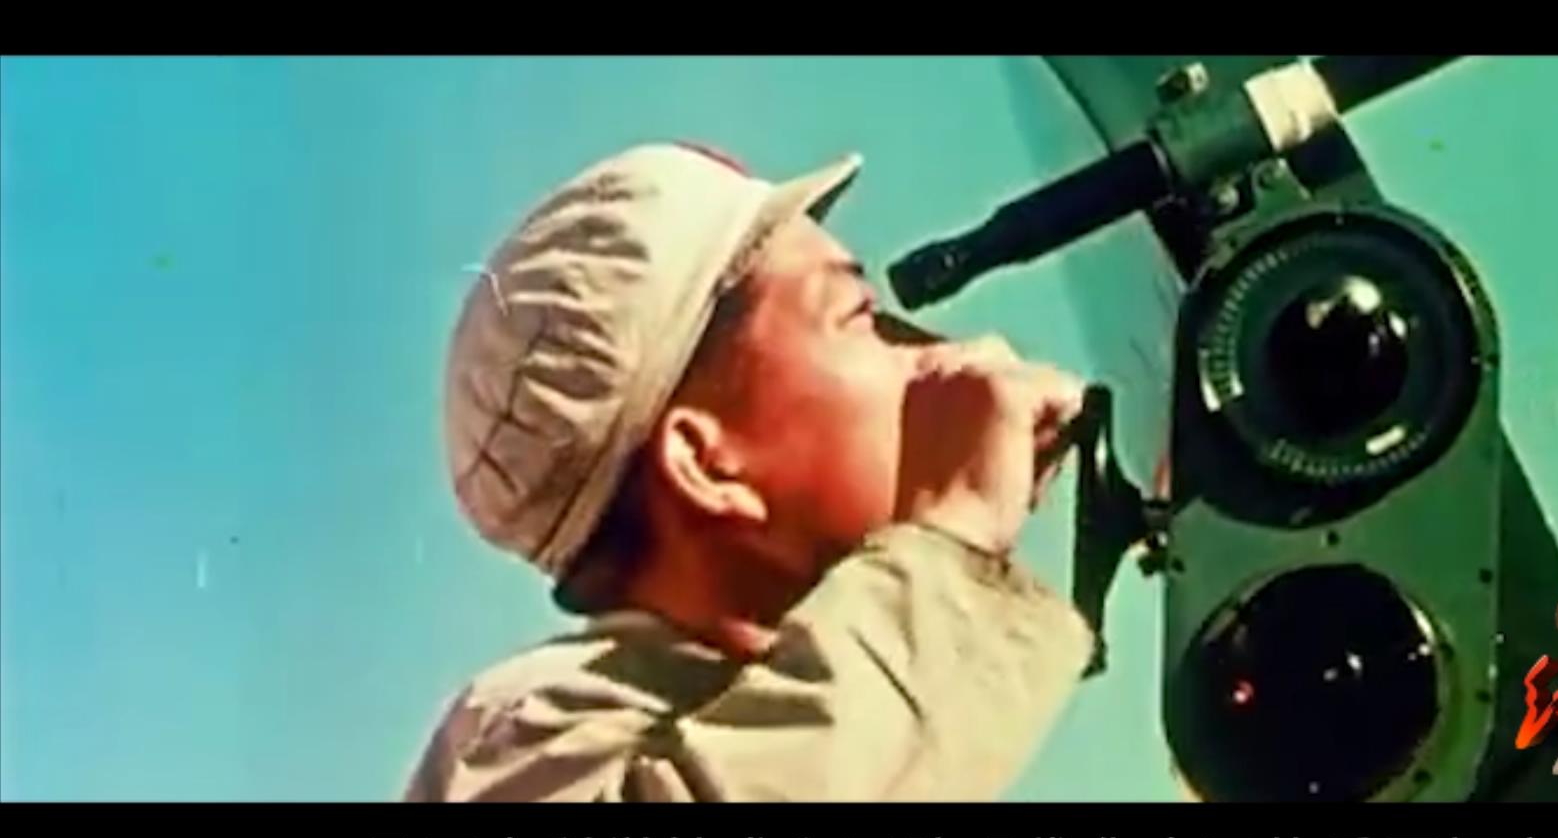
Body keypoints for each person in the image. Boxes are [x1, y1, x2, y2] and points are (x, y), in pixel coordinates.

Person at [405, 142, 1096, 802]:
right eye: (861, 318)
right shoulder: (513, 742)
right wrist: (956, 529)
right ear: (707, 465)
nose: (932, 354)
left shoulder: (827, 714)